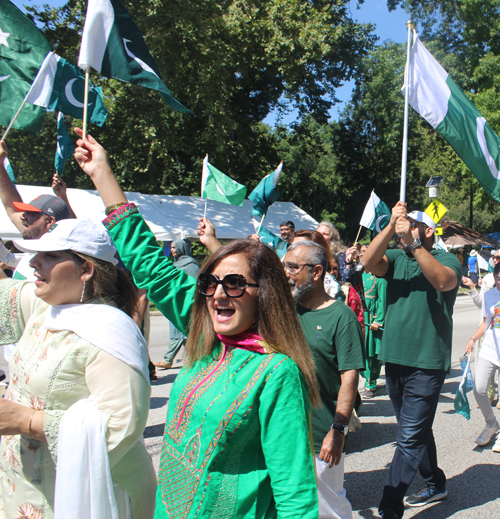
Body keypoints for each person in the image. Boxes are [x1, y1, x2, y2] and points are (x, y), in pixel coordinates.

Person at [74, 128, 320, 519]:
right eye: (210, 282)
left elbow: (295, 492)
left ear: (265, 293)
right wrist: (102, 174)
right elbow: (151, 267)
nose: (219, 294)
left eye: (236, 284)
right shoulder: (205, 332)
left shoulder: (276, 372)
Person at [0, 218, 156, 519]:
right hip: (24, 487)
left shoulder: (111, 331)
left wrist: (27, 420)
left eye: (51, 256)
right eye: (37, 255)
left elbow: (120, 427)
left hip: (87, 496)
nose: (34, 262)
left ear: (86, 270)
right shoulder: (48, 306)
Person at [362, 204, 461, 519]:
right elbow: (367, 262)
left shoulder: (447, 260)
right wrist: (391, 226)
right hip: (395, 361)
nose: (406, 226)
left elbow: (443, 282)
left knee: (407, 437)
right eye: (404, 222)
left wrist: (414, 244)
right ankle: (435, 481)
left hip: (427, 364)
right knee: (415, 431)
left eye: (412, 223)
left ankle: (390, 507)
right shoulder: (395, 259)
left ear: (428, 231)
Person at [283, 240, 365, 519]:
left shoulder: (341, 317)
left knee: (328, 509)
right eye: (284, 265)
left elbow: (350, 378)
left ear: (316, 272)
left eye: (293, 267)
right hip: (281, 433)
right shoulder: (283, 311)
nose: (286, 273)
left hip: (321, 435)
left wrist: (338, 429)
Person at [466, 261, 500, 451]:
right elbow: (485, 323)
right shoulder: (489, 295)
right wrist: (472, 339)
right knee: (479, 389)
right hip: (490, 348)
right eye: (498, 278)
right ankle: (491, 423)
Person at [155, 239, 200, 370]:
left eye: (175, 247)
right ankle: (195, 357)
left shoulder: (191, 265)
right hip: (175, 303)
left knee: (179, 333)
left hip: (185, 304)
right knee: (185, 334)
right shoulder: (177, 263)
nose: (172, 250)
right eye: (172, 247)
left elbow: (194, 285)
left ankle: (168, 359)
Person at [359, 243, 387, 398]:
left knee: (371, 354)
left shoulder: (380, 278)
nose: (363, 254)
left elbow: (382, 301)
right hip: (358, 319)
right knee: (360, 352)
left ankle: (371, 383)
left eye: (367, 252)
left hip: (372, 320)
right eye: (361, 252)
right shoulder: (356, 276)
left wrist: (379, 320)